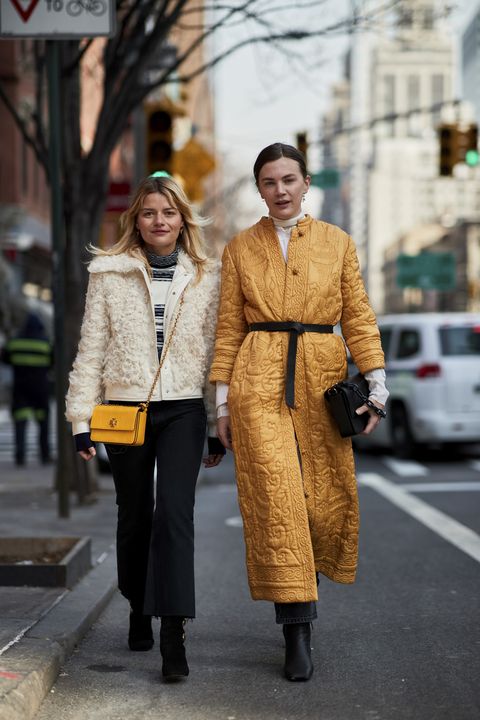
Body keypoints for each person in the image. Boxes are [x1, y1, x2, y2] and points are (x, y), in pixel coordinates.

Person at [209, 143, 388, 682]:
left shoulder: (337, 243)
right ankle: (297, 633)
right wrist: (220, 404)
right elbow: (227, 329)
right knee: (277, 501)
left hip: (323, 376)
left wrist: (376, 387)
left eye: (289, 179)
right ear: (258, 189)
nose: (280, 190)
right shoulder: (240, 248)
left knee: (320, 500)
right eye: (269, 182)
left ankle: (303, 609)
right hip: (257, 378)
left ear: (306, 183)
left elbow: (357, 314)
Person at [65, 173, 225, 681]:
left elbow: (215, 353)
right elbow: (91, 348)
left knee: (174, 514)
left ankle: (173, 633)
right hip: (124, 410)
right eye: (150, 212)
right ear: (135, 218)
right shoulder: (108, 273)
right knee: (134, 515)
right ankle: (138, 604)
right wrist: (79, 417)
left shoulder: (207, 274)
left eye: (169, 212)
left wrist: (219, 420)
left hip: (183, 410)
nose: (160, 221)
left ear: (183, 220)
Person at [1, 313, 53, 466]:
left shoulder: (15, 343)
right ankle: (45, 455)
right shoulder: (45, 343)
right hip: (40, 389)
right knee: (43, 424)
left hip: (20, 389)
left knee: (20, 423)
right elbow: (52, 362)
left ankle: (20, 457)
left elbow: (5, 359)